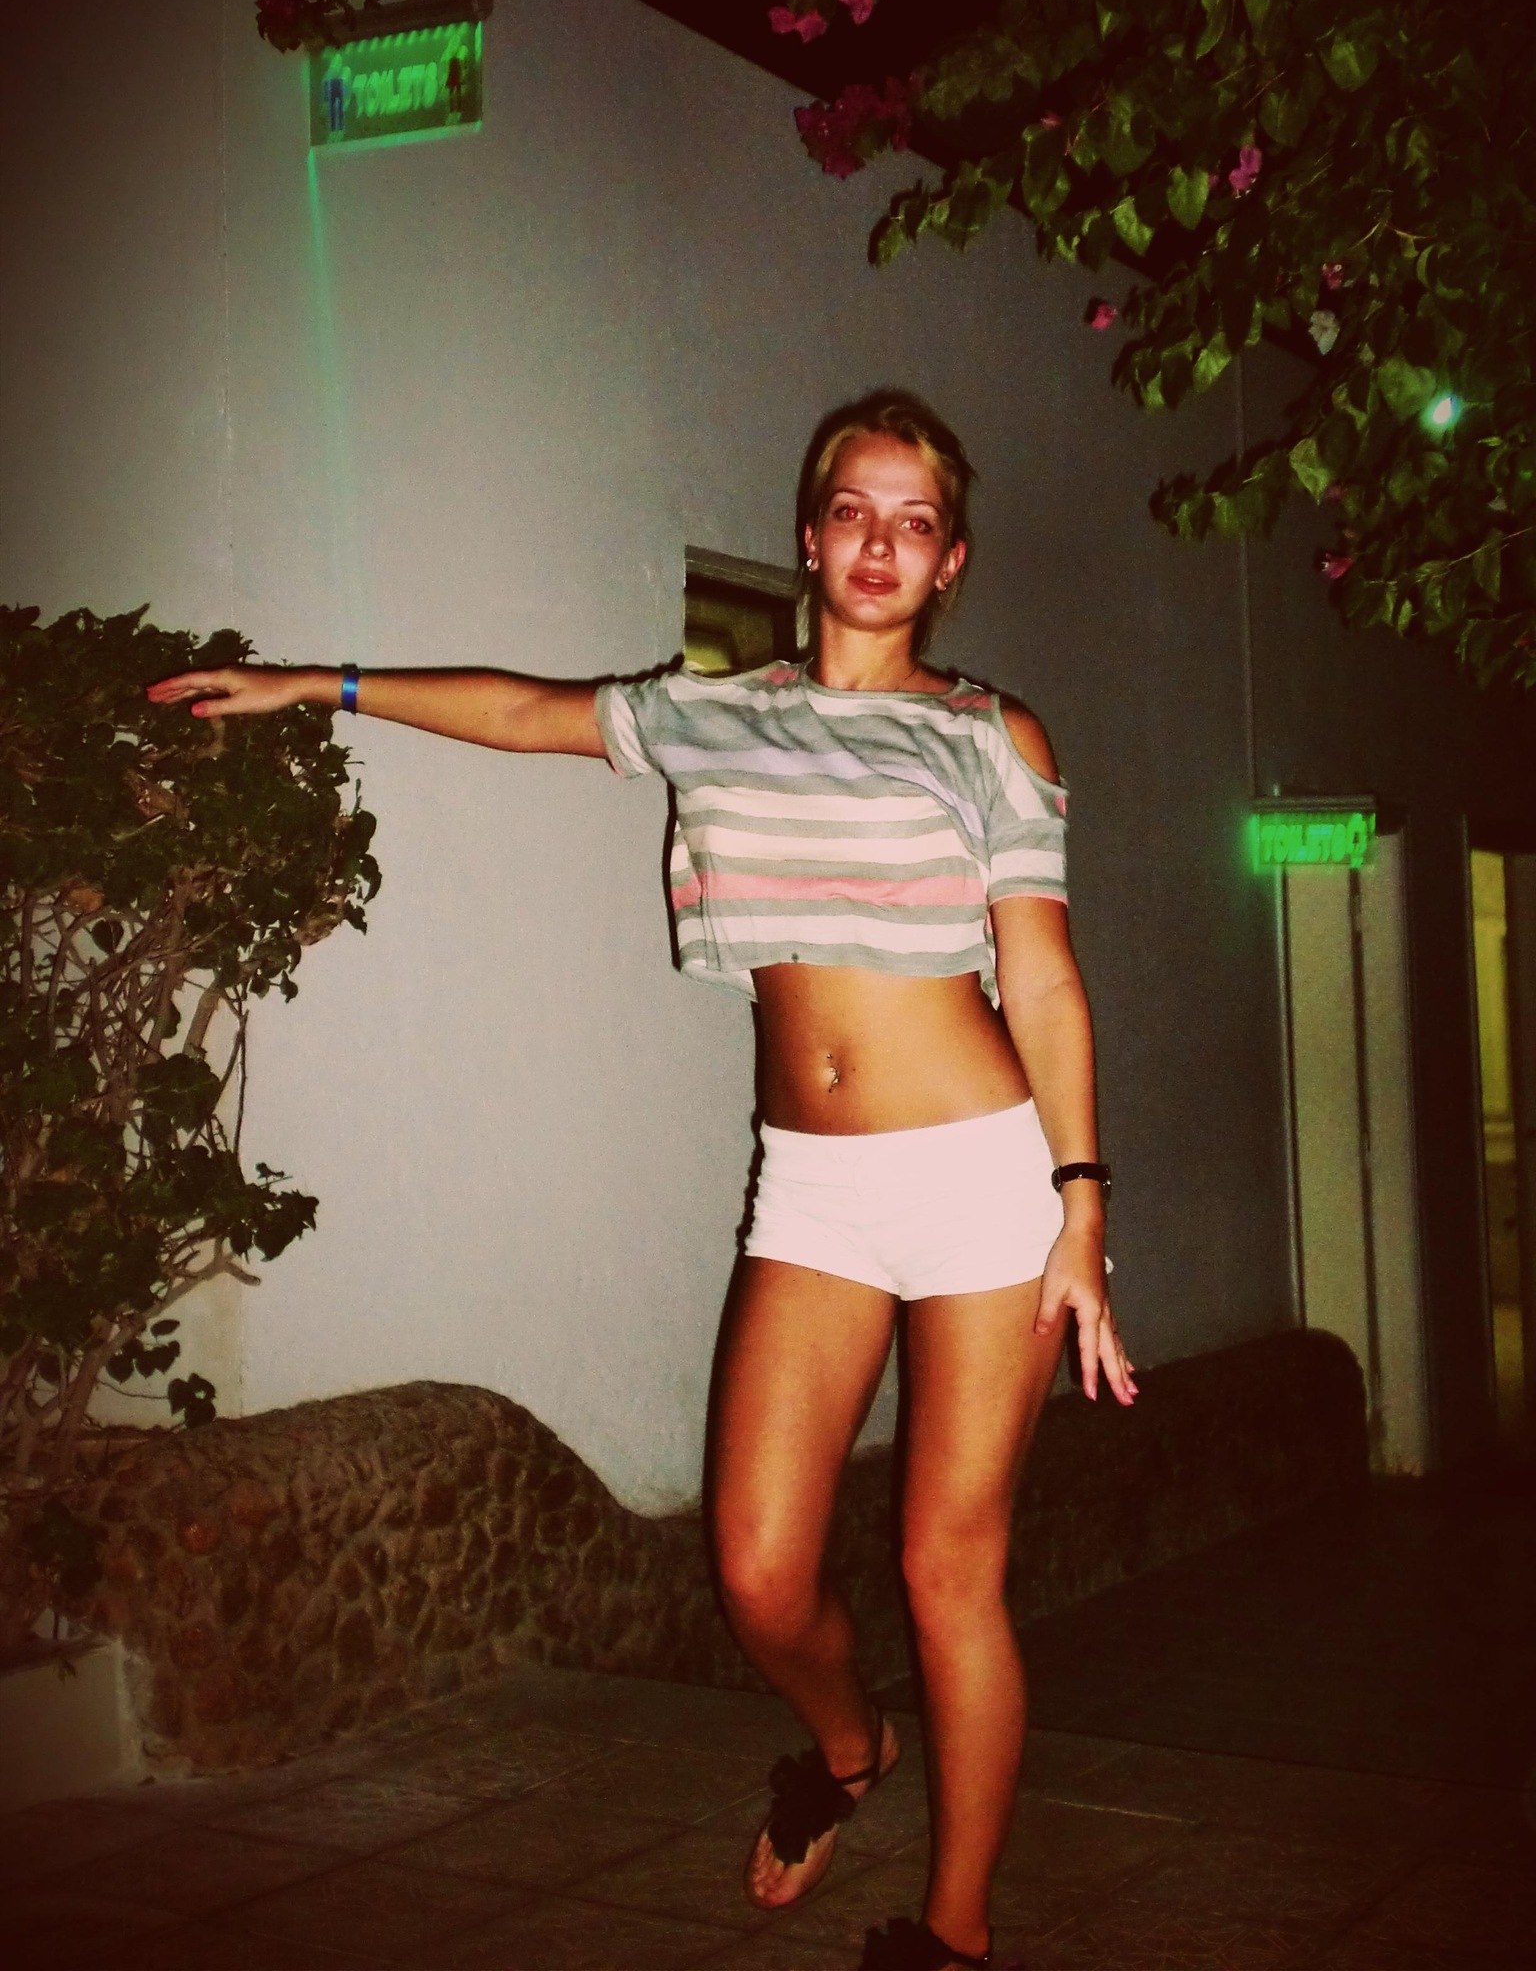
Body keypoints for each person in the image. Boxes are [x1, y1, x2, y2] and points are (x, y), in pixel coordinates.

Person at [147, 390, 1134, 1971]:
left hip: (980, 1181)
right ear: (810, 536)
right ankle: (851, 1748)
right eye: (855, 513)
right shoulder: (710, 712)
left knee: (949, 1566)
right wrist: (314, 684)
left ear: (952, 559)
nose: (882, 544)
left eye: (917, 522)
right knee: (756, 1570)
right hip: (813, 1190)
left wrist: (1080, 1202)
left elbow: (1049, 982)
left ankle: (955, 1934)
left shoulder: (991, 738)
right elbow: (522, 709)